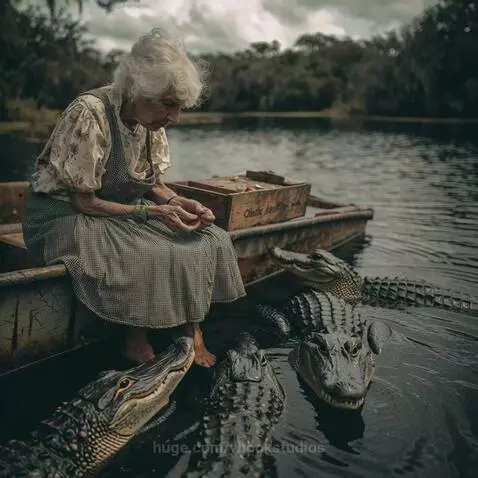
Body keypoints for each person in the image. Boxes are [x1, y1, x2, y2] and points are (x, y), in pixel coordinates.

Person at [22, 28, 246, 367]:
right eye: (168, 105)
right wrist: (152, 215)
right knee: (150, 250)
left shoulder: (148, 124)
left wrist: (177, 202)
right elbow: (85, 202)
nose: (175, 118)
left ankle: (190, 328)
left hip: (112, 207)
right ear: (138, 89)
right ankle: (134, 339)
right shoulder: (90, 113)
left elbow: (151, 184)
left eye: (179, 107)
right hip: (64, 215)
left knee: (208, 238)